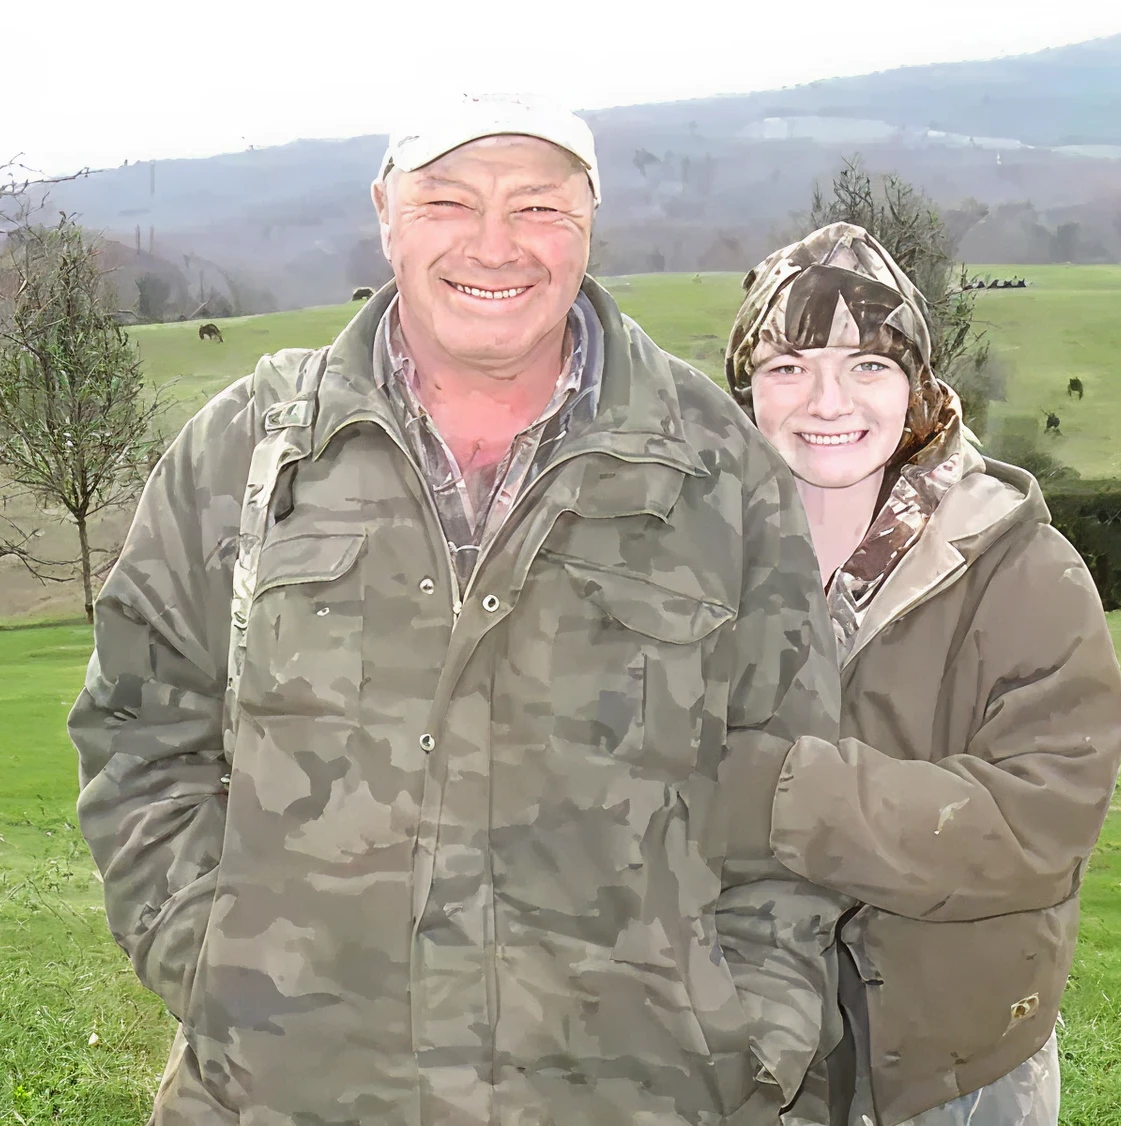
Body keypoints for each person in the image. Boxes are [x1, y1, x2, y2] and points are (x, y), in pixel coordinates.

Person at [69, 94, 846, 1125]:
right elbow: (139, 732)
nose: (496, 245)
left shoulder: (715, 471)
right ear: (386, 211)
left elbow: (793, 783)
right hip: (289, 1099)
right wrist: (226, 971)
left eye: (538, 207)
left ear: (590, 220)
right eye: (449, 200)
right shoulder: (249, 454)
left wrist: (748, 1036)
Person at [724, 223, 1121, 1126]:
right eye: (788, 365)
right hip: (740, 1062)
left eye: (868, 364)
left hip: (958, 1075)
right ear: (747, 389)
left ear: (917, 385)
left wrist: (784, 796)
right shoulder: (692, 562)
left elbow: (1040, 824)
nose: (827, 399)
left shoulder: (1022, 569)